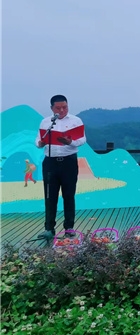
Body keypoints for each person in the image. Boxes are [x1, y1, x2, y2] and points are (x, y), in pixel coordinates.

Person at [35, 95, 86, 240]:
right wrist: (40, 144)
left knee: (68, 195)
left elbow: (82, 139)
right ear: (52, 108)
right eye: (58, 108)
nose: (62, 110)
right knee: (50, 195)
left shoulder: (76, 121)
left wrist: (70, 142)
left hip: (68, 161)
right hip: (50, 162)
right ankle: (49, 228)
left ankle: (69, 227)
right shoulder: (46, 122)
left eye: (65, 107)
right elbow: (38, 139)